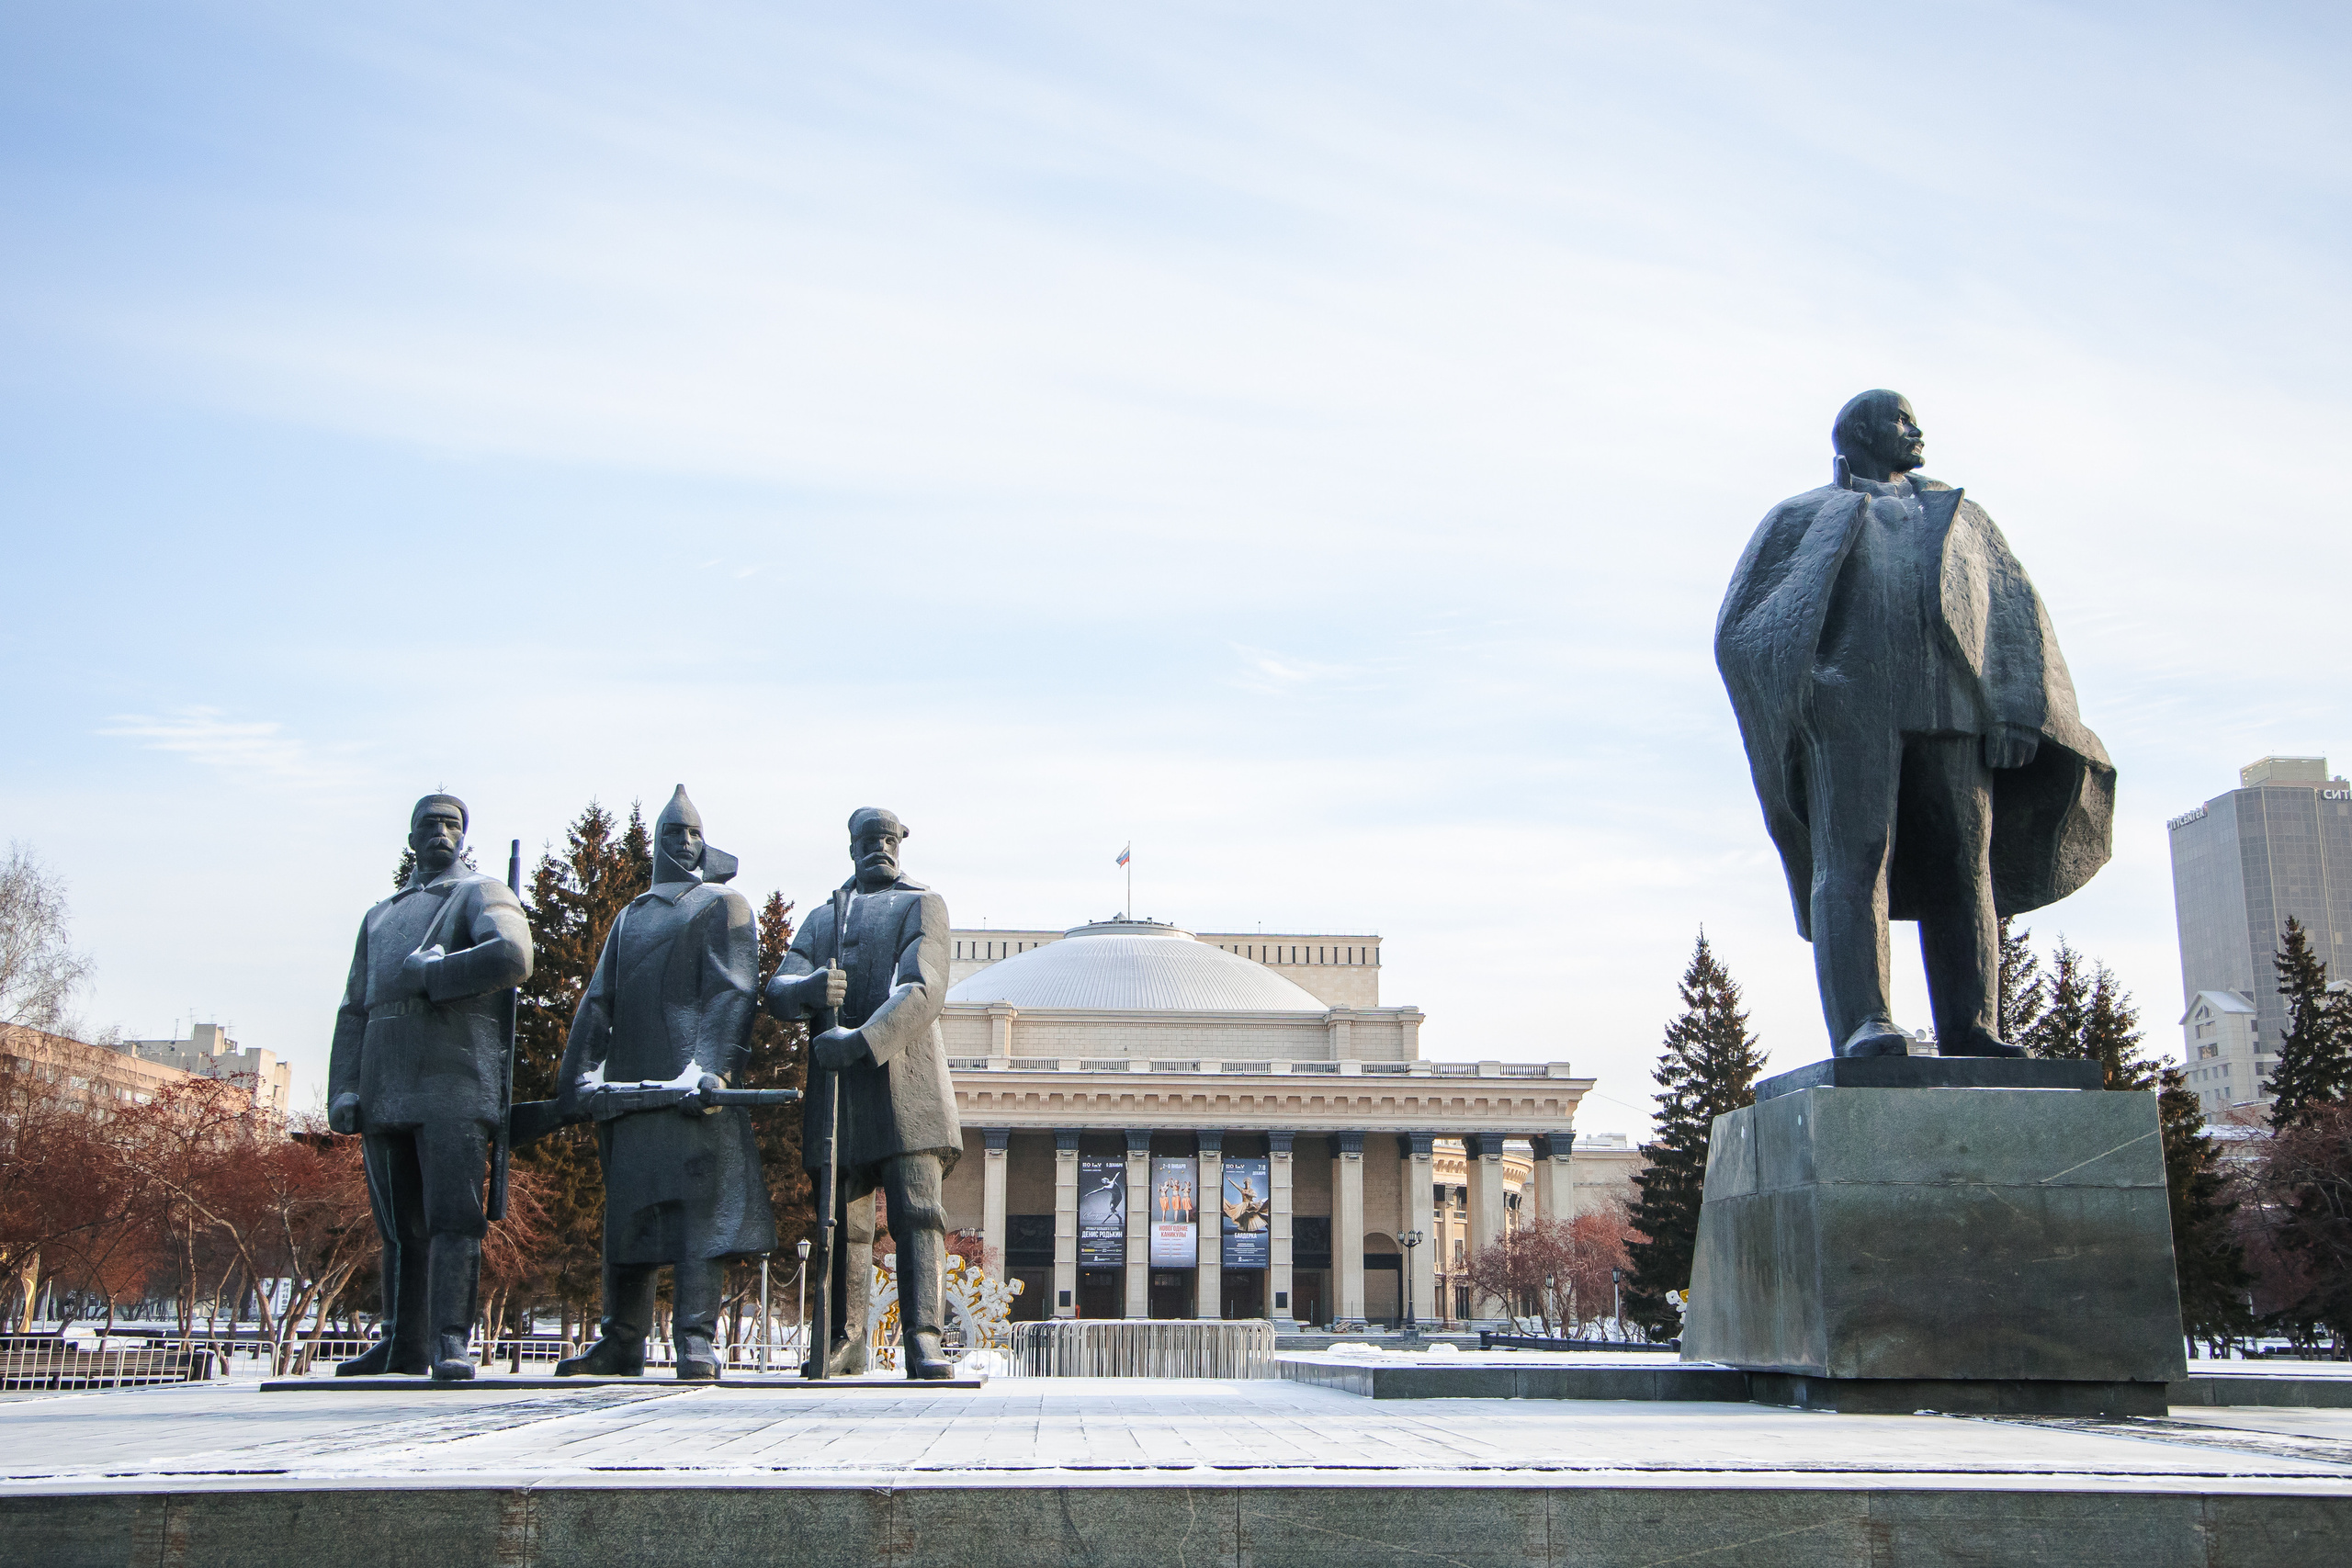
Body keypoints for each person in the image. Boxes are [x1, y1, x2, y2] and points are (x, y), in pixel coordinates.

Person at [1716, 391, 2114, 1058]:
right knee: (1854, 858)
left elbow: (2016, 617)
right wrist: (1806, 692)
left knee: (1967, 867)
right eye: (1902, 419)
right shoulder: (1800, 515)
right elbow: (1742, 629)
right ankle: (1865, 1021)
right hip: (1848, 712)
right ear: (1862, 432)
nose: (1917, 429)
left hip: (1954, 711)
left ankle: (1973, 1024)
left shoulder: (1960, 519)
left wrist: (2016, 706)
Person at [555, 786, 773, 1380]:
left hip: (690, 1094)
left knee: (695, 1219)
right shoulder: (631, 916)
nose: (684, 843)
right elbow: (599, 1001)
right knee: (628, 1218)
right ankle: (622, 1337)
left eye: (693, 834)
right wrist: (577, 1074)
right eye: (674, 834)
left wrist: (711, 1069)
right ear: (656, 844)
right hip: (628, 1089)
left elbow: (733, 993)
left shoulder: (723, 906)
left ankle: (695, 1337)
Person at [329, 794, 533, 1380]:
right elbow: (353, 1009)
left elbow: (515, 956)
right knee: (397, 1225)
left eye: (452, 824)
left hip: (454, 1080)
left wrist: (439, 974)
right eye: (429, 823)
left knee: (452, 1218)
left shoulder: (479, 893)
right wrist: (344, 1089)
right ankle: (401, 1342)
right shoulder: (382, 915)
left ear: (464, 836)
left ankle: (449, 1338)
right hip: (383, 1084)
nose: (441, 832)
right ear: (411, 835)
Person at [764, 807, 961, 1380]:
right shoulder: (824, 917)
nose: (879, 848)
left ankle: (923, 1339)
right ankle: (843, 1341)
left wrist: (860, 1041)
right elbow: (777, 989)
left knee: (918, 1215)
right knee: (840, 1223)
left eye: (888, 838)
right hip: (839, 1098)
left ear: (901, 844)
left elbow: (922, 988)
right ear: (851, 846)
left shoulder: (921, 905)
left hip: (907, 1089)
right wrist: (805, 987)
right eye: (868, 839)